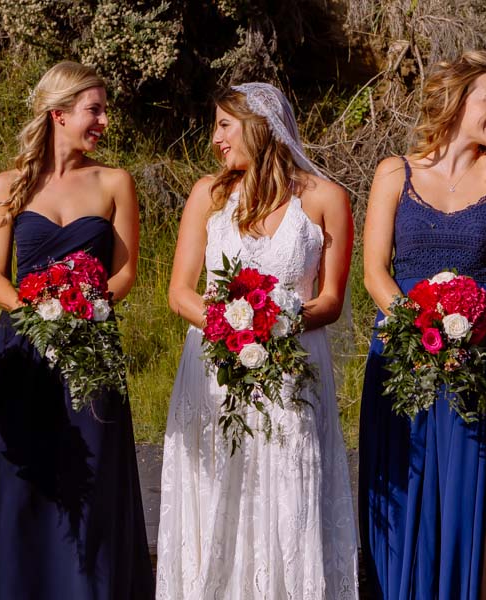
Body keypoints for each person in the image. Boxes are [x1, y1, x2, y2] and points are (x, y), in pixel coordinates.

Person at [155, 82, 358, 598]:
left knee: (290, 490)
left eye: (224, 125)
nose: (215, 139)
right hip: (215, 369)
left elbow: (331, 300)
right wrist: (230, 326)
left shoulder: (326, 199)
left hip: (292, 369)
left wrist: (276, 324)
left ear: (260, 125)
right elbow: (179, 292)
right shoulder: (209, 195)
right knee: (219, 491)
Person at [0, 61, 153, 599]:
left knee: (91, 473)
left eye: (104, 110)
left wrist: (85, 311)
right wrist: (35, 313)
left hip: (90, 346)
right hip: (22, 347)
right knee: (22, 475)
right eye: (95, 110)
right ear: (59, 114)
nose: (104, 121)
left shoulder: (115, 182)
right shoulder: (8, 185)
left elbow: (125, 273)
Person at [358, 50, 486, 599]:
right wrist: (417, 328)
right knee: (407, 483)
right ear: (458, 100)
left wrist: (465, 327)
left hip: (477, 353)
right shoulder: (395, 172)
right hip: (402, 353)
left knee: (472, 489)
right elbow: (374, 271)